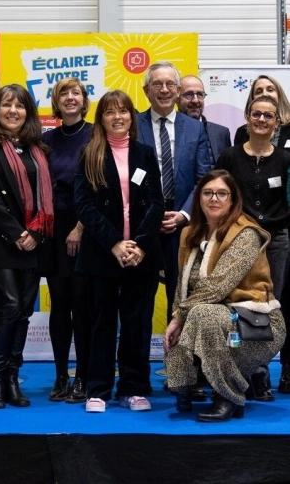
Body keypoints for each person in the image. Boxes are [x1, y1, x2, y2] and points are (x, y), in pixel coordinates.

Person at [164, 169, 285, 422]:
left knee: (201, 314)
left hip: (257, 322)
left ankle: (228, 395)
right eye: (207, 193)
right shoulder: (189, 232)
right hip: (217, 316)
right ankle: (186, 385)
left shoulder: (245, 233)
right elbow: (181, 287)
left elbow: (218, 286)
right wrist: (176, 315)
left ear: (232, 199)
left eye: (222, 193)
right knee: (187, 316)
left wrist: (180, 316)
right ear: (199, 198)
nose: (214, 199)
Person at [75, 90, 164, 413]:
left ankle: (134, 387)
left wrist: (138, 243)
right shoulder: (90, 155)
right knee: (101, 323)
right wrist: (114, 242)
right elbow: (83, 205)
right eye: (110, 112)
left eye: (123, 111)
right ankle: (97, 389)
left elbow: (156, 202)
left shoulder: (144, 154)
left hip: (141, 254)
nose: (117, 117)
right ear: (101, 119)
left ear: (131, 116)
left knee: (137, 324)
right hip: (103, 254)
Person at [0, 84, 54, 409]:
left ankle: (12, 379)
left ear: (28, 112)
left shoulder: (38, 149)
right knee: (8, 307)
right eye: (7, 105)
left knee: (22, 315)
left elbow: (47, 201)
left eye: (20, 106)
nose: (13, 111)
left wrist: (35, 235)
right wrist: (16, 232)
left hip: (34, 242)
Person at [216, 95, 290, 401]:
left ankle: (261, 373)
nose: (261, 120)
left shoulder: (286, 159)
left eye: (268, 116)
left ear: (277, 123)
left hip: (276, 242)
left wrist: (268, 222)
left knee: (269, 307)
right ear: (247, 118)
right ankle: (242, 373)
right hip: (238, 242)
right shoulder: (229, 157)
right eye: (256, 114)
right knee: (239, 309)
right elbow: (219, 196)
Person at [137, 62, 211, 327]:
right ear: (147, 90)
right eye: (157, 84)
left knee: (180, 300)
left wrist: (183, 214)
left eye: (170, 84)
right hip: (142, 226)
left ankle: (178, 366)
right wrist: (148, 215)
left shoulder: (194, 128)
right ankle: (135, 367)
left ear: (178, 90)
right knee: (139, 300)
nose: (164, 90)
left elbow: (204, 177)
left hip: (182, 226)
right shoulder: (133, 125)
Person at [42, 78, 92, 404]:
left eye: (76, 93)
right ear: (56, 102)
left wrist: (81, 226)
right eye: (64, 94)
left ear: (84, 100)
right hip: (53, 232)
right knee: (59, 304)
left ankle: (84, 377)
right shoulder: (45, 140)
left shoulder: (95, 135)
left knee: (83, 305)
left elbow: (101, 187)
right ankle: (61, 375)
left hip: (85, 229)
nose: (70, 98)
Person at [177, 75, 231, 168]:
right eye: (189, 94)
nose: (195, 100)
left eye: (200, 94)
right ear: (177, 98)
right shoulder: (169, 131)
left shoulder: (221, 133)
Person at [233, 75, 290, 150]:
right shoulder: (242, 132)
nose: (264, 94)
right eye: (259, 91)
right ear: (253, 99)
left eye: (270, 90)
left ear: (279, 95)